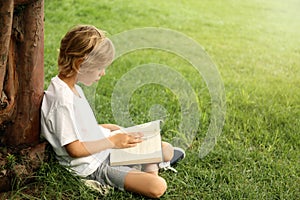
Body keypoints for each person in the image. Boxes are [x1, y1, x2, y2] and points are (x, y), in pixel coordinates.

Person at [41, 25, 185, 198]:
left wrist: (109, 129)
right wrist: (112, 141)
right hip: (95, 164)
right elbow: (75, 150)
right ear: (81, 65)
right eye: (100, 68)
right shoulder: (61, 100)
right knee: (157, 186)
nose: (103, 73)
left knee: (167, 149)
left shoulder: (71, 89)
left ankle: (146, 163)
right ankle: (147, 168)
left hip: (105, 149)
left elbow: (77, 129)